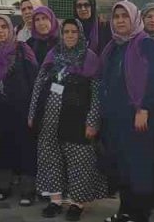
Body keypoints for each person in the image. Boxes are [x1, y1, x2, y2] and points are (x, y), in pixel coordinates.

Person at [31, 19, 107, 220]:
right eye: (66, 31)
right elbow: (39, 85)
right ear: (61, 34)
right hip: (49, 119)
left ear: (80, 34)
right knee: (50, 158)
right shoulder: (53, 54)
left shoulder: (90, 59)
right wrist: (32, 114)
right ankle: (55, 200)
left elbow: (96, 94)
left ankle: (77, 203)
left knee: (79, 160)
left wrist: (92, 121)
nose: (70, 35)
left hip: (77, 120)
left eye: (74, 31)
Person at [99, 1, 154, 222]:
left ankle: (140, 213)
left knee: (139, 165)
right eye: (116, 16)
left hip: (137, 116)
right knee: (122, 165)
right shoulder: (114, 46)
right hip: (116, 116)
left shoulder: (145, 44)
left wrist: (144, 107)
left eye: (124, 16)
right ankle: (126, 210)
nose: (120, 20)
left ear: (134, 19)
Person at [0, 15, 39, 205]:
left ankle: (27, 190)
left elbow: (34, 78)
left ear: (11, 29)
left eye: (4, 27)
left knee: (25, 148)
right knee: (1, 146)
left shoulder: (22, 49)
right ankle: (2, 186)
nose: (0, 31)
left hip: (21, 108)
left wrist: (33, 108)